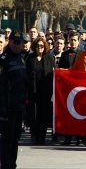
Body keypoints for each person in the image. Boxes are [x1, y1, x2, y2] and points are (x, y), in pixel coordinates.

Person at [0, 31, 28, 169]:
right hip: (8, 108)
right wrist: (3, 109)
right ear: (9, 42)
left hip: (19, 106)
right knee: (7, 141)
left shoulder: (21, 58)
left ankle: (12, 165)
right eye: (15, 43)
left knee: (16, 140)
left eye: (19, 43)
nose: (17, 46)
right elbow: (1, 86)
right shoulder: (3, 60)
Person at [26, 37, 54, 145]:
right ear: (35, 47)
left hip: (45, 91)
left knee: (43, 113)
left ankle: (42, 135)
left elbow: (52, 74)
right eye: (38, 46)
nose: (40, 48)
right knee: (34, 113)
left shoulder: (49, 58)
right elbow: (27, 73)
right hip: (33, 90)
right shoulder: (30, 58)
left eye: (42, 46)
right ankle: (34, 134)